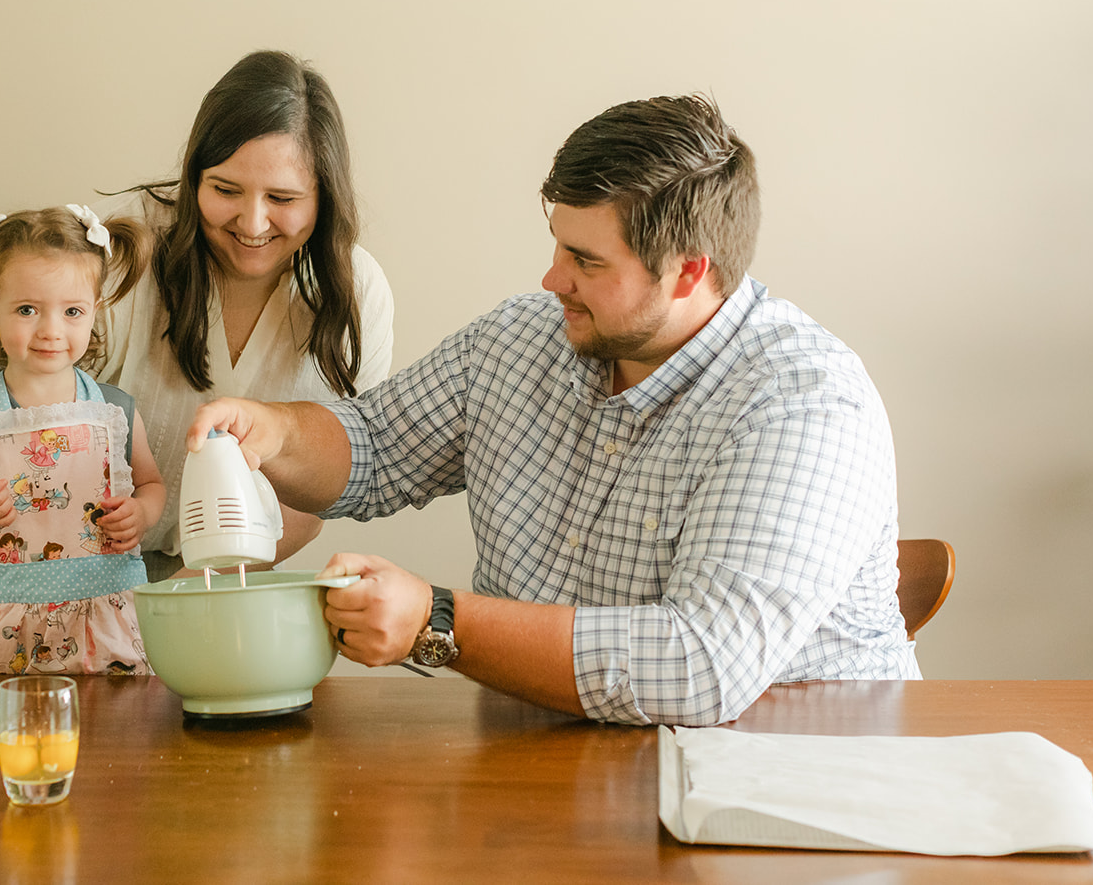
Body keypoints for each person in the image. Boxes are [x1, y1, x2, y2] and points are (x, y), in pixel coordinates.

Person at [187, 94, 918, 727]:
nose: (552, 277)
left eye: (586, 260)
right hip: (549, 769)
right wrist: (275, 429)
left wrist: (436, 620)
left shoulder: (805, 404)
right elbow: (373, 446)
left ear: (691, 270)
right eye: (557, 246)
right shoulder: (522, 338)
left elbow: (697, 667)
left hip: (788, 803)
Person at [0, 50, 394, 633]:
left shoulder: (356, 294)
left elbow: (315, 495)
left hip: (231, 581)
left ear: (325, 197)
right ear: (193, 174)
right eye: (225, 189)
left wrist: (167, 606)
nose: (253, 224)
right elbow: (9, 441)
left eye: (283, 199)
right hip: (72, 582)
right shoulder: (123, 258)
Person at [0, 205, 166, 674]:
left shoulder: (113, 411)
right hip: (10, 625)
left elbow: (152, 485)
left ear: (94, 312)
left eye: (72, 311)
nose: (52, 330)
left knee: (122, 737)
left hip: (111, 616)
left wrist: (142, 513)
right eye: (27, 309)